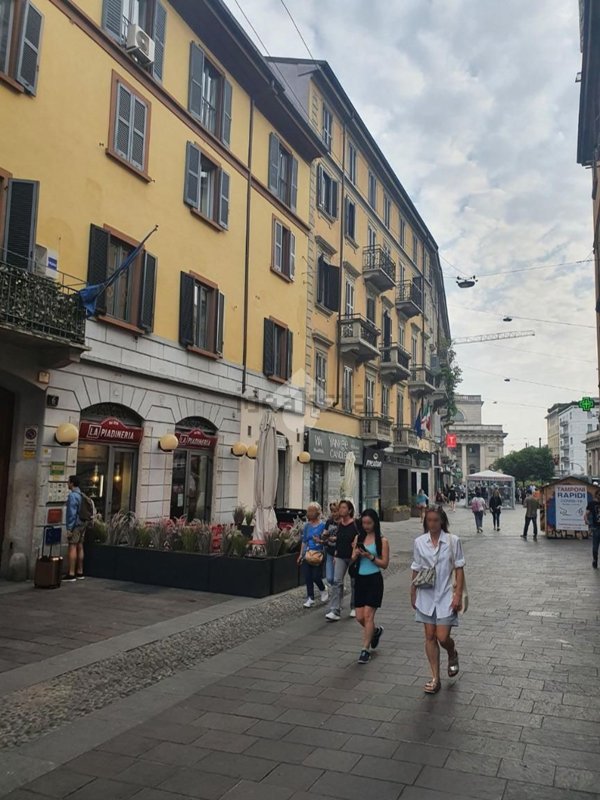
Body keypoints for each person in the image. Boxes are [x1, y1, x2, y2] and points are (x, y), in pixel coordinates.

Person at [411, 506, 465, 694]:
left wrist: (458, 595)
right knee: (429, 636)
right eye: (429, 520)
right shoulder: (419, 542)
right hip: (426, 594)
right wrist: (413, 592)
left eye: (435, 520)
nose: (432, 524)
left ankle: (452, 652)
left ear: (442, 521)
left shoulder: (452, 541)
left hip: (446, 594)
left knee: (442, 637)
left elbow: (459, 568)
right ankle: (435, 678)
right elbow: (416, 567)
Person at [350, 509, 390, 664]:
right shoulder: (358, 537)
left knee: (368, 616)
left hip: (374, 580)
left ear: (375, 523)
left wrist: (370, 556)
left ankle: (365, 650)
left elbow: (384, 564)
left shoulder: (382, 540)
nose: (366, 526)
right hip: (360, 579)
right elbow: (352, 558)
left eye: (369, 523)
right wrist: (356, 554)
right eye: (364, 523)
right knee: (360, 617)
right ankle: (375, 631)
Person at [325, 499, 358, 622]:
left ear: (349, 510)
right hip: (340, 556)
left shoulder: (355, 524)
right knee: (337, 581)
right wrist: (335, 554)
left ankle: (354, 606)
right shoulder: (339, 524)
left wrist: (356, 548)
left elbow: (360, 538)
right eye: (340, 508)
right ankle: (335, 610)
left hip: (353, 557)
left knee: (354, 582)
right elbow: (339, 540)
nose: (341, 510)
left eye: (344, 508)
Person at [298, 502, 329, 608]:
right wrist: (301, 555)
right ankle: (310, 598)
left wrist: (320, 541)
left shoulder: (323, 525)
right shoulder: (307, 526)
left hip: (318, 554)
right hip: (308, 553)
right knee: (308, 576)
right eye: (309, 511)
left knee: (316, 576)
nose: (310, 513)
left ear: (317, 512)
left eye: (312, 511)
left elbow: (325, 540)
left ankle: (323, 589)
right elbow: (304, 541)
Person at [65, 476, 87, 582]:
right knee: (80, 546)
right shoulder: (82, 495)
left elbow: (71, 514)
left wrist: (69, 528)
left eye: (68, 482)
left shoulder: (72, 496)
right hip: (83, 524)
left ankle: (71, 573)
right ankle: (80, 571)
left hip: (76, 525)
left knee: (72, 546)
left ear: (72, 483)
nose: (67, 483)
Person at [322, 502, 340, 587]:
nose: (333, 513)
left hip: (339, 552)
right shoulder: (329, 522)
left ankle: (336, 589)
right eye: (332, 511)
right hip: (329, 550)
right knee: (329, 578)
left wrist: (335, 538)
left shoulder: (342, 522)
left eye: (335, 511)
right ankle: (335, 587)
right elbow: (324, 534)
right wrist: (324, 535)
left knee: (337, 577)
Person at [584, 487, 600, 569]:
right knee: (595, 546)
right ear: (596, 495)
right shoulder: (592, 504)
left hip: (596, 527)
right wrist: (586, 520)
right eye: (599, 494)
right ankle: (595, 560)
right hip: (596, 527)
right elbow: (586, 514)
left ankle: (595, 560)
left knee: (595, 545)